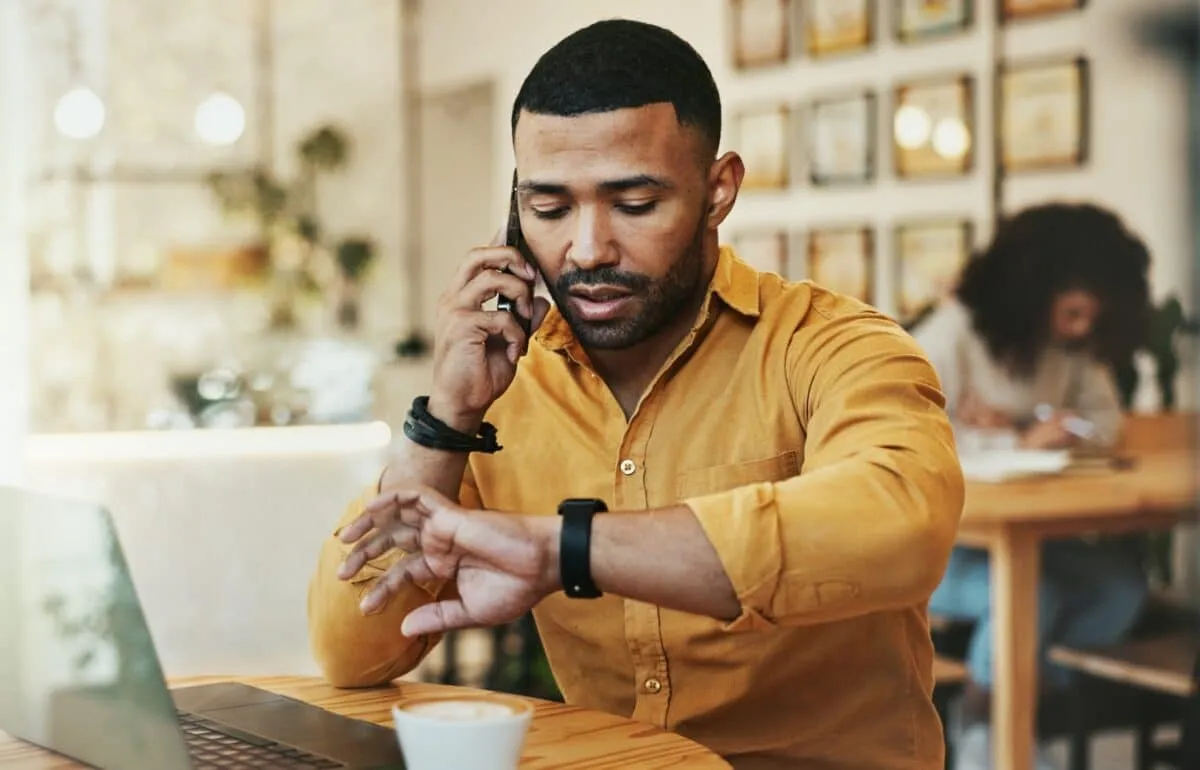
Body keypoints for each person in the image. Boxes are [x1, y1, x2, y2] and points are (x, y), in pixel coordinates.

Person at [308, 19, 964, 770]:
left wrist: (564, 550)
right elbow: (351, 656)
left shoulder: (835, 345)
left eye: (635, 203)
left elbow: (899, 526)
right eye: (549, 209)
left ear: (718, 192)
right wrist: (447, 418)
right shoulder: (507, 390)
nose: (587, 250)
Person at [910, 202, 1153, 770]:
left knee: (1119, 589)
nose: (1083, 329)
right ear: (1033, 291)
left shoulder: (1069, 349)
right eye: (1073, 312)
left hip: (1023, 539)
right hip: (934, 546)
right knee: (1029, 594)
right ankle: (984, 729)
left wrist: (1016, 424)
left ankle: (1002, 717)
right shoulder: (952, 335)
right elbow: (910, 441)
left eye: (1094, 316)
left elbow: (1106, 425)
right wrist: (1018, 444)